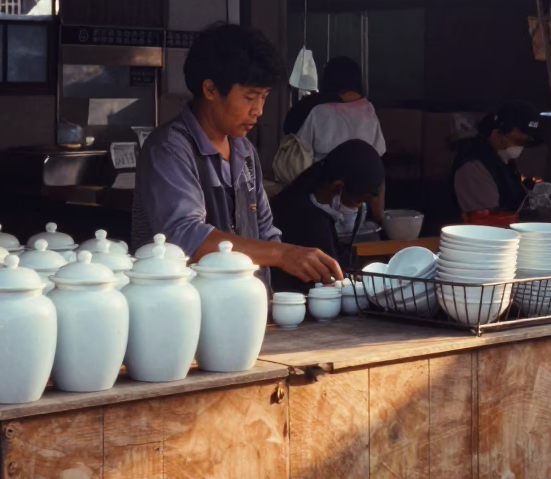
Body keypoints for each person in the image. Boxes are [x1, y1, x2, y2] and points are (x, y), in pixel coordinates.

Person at [132, 23, 344, 286]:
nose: (258, 110)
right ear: (210, 89)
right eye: (250, 97)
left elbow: (265, 232)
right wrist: (282, 254)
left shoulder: (244, 152)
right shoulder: (169, 149)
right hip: (184, 310)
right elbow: (186, 237)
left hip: (243, 306)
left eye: (264, 97)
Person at [270, 139, 385, 294]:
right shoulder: (299, 214)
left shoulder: (319, 207)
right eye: (358, 201)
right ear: (338, 186)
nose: (358, 208)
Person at [451, 101, 546, 215]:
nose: (520, 147)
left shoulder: (503, 161)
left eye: (525, 143)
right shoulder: (473, 166)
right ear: (496, 133)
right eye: (517, 141)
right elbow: (490, 219)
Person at [283, 56, 386, 161]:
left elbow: (299, 150)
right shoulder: (369, 110)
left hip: (323, 174)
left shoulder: (318, 111)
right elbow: (380, 150)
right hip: (363, 175)